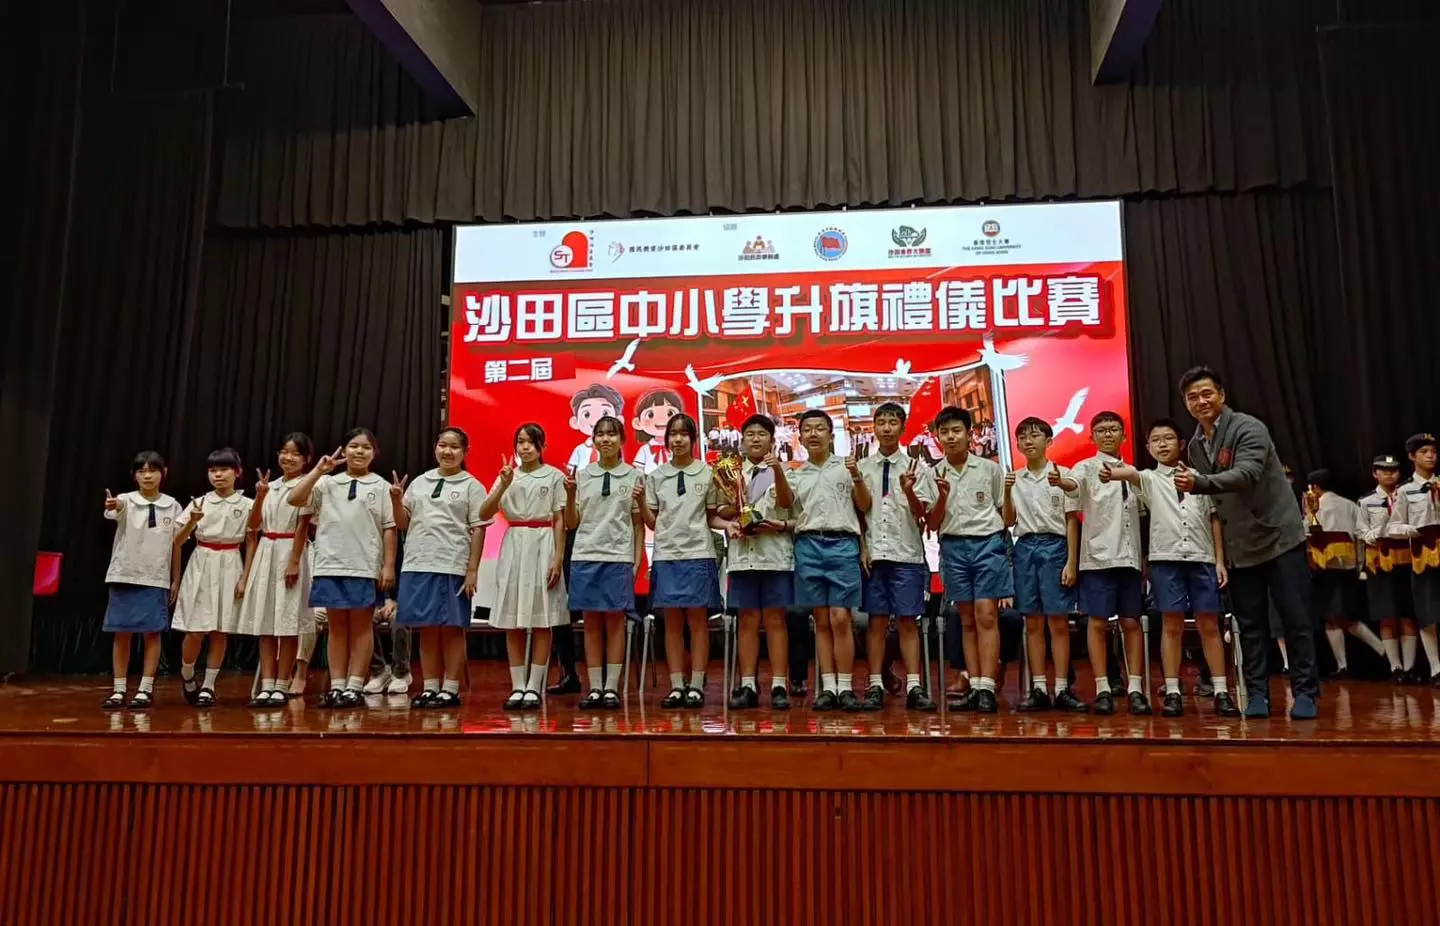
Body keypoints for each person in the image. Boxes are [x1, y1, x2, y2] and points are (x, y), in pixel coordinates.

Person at [1176, 366, 1320, 719]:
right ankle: (1257, 695)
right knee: (1250, 626)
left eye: (1207, 393)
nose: (1201, 402)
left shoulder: (1248, 427)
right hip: (1240, 547)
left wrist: (1199, 483)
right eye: (1192, 397)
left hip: (1278, 538)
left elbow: (1247, 474)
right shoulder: (1194, 445)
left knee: (1295, 620)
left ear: (1222, 395)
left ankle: (1305, 693)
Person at [1103, 420, 1239, 717]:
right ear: (1148, 447)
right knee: (1171, 624)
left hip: (1202, 558)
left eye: (1168, 438)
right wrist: (1110, 472)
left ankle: (1221, 691)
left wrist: (1219, 560)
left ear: (1181, 443)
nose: (1162, 444)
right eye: (1155, 440)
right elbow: (1129, 473)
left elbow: (1214, 519)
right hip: (1165, 559)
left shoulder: (1200, 479)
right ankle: (1173, 691)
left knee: (1209, 625)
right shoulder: (1149, 479)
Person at [289, 428, 398, 709]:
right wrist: (318, 471)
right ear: (344, 450)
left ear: (374, 453)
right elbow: (295, 499)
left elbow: (389, 528)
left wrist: (388, 566)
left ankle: (354, 686)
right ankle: (337, 685)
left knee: (361, 628)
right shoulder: (327, 482)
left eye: (365, 447)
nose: (359, 452)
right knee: (336, 629)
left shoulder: (381, 486)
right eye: (353, 446)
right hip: (329, 564)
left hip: (364, 566)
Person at [394, 426, 489, 708]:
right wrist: (396, 500)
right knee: (427, 627)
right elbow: (402, 523)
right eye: (443, 445)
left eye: (454, 447)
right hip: (417, 563)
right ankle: (430, 687)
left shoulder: (472, 485)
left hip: (452, 564)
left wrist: (472, 570)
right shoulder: (420, 482)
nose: (447, 451)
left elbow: (479, 528)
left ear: (465, 451)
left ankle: (451, 688)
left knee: (451, 628)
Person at [928, 405, 1011, 714]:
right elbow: (932, 522)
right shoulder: (934, 473)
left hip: (988, 544)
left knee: (986, 615)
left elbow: (1005, 514)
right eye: (944, 432)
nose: (951, 437)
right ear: (937, 437)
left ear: (970, 434)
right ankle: (975, 685)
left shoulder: (990, 469)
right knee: (966, 619)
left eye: (956, 430)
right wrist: (942, 497)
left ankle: (987, 687)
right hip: (953, 547)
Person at [481, 424, 569, 711]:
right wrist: (504, 484)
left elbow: (560, 519)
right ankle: (518, 685)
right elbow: (484, 512)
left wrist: (558, 558)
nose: (525, 447)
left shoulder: (554, 476)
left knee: (542, 619)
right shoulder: (507, 475)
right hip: (514, 543)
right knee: (512, 619)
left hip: (544, 543)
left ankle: (534, 685)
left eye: (531, 442)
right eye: (520, 441)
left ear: (542, 446)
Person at [641, 413, 726, 709]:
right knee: (672, 623)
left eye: (684, 434)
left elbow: (712, 516)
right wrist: (639, 503)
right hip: (666, 556)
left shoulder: (707, 473)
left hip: (699, 553)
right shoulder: (656, 476)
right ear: (666, 440)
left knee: (698, 623)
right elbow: (652, 522)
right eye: (673, 434)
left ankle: (697, 685)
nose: (678, 439)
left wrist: (730, 524)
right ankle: (677, 685)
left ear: (693, 439)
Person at [857, 402, 937, 712]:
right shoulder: (862, 468)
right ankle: (875, 684)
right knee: (876, 622)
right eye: (882, 422)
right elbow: (858, 514)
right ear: (874, 428)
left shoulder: (917, 467)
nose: (887, 428)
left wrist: (909, 490)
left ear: (903, 428)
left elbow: (923, 515)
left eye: (893, 422)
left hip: (906, 554)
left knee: (907, 622)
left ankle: (915, 686)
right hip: (874, 554)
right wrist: (862, 547)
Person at [1002, 417, 1086, 713]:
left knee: (1058, 621)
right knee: (1033, 621)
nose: (1028, 441)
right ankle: (1038, 688)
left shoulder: (1063, 475)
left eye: (1035, 435)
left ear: (1049, 441)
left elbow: (1072, 520)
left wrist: (1072, 562)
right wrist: (1006, 492)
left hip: (1056, 547)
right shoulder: (1014, 478)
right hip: (1025, 547)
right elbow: (1008, 521)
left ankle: (1062, 688)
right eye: (1022, 437)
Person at [787, 409, 869, 711]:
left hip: (843, 545)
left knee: (840, 618)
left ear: (831, 435)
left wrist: (857, 476)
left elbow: (865, 505)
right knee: (820, 620)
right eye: (807, 429)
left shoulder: (846, 468)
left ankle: (845, 687)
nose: (813, 434)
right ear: (800, 437)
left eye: (820, 428)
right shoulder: (796, 474)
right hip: (808, 545)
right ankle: (828, 687)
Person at [1070, 412, 1149, 715]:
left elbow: (1146, 509)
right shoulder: (1085, 468)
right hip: (1098, 559)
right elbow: (1071, 485)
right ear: (1091, 437)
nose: (1107, 434)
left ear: (1124, 436)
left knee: (1131, 623)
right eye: (1101, 430)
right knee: (1097, 623)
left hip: (1130, 558)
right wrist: (1061, 481)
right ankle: (1103, 687)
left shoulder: (1133, 472)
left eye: (1113, 429)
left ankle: (1135, 688)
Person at [564, 415, 644, 709]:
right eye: (600, 434)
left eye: (612, 434)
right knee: (591, 624)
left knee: (615, 623)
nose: (606, 439)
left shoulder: (634, 476)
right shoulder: (583, 476)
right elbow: (571, 522)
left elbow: (638, 525)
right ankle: (595, 687)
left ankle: (612, 688)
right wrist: (570, 495)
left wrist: (636, 561)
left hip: (618, 557)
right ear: (593, 440)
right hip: (586, 555)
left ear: (622, 440)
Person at [721, 414, 797, 710]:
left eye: (762, 434)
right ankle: (749, 684)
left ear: (772, 441)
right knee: (748, 620)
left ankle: (778, 684)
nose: (755, 439)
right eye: (750, 434)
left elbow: (788, 505)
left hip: (775, 555)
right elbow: (721, 511)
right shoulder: (731, 472)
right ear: (742, 441)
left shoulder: (785, 470)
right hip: (743, 556)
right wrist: (732, 518)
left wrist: (776, 470)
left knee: (776, 620)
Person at [235, 433, 315, 707]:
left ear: (306, 459)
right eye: (284, 452)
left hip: (290, 550)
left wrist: (294, 561)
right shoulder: (270, 486)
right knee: (266, 622)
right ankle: (267, 684)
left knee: (288, 623)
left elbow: (302, 526)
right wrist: (260, 496)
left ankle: (282, 683)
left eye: (295, 453)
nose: (288, 458)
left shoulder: (306, 486)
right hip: (266, 552)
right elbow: (253, 525)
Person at [100, 451, 183, 710]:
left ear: (163, 473)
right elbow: (115, 508)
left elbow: (177, 544)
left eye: (153, 470)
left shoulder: (173, 505)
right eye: (142, 471)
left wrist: (176, 579)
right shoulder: (125, 500)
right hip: (124, 574)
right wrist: (113, 505)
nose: (147, 476)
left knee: (152, 632)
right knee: (121, 632)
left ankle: (145, 689)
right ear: (134, 475)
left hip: (156, 577)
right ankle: (119, 689)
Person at [172, 448, 254, 709]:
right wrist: (192, 522)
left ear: (237, 472)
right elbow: (177, 541)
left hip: (231, 562)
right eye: (213, 470)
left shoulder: (247, 504)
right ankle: (187, 672)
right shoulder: (200, 502)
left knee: (220, 629)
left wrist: (245, 578)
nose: (218, 475)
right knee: (195, 630)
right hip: (202, 562)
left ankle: (209, 685)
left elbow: (252, 541)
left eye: (224, 469)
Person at [1303, 469, 1387, 679]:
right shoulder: (1350, 504)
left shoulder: (1314, 506)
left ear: (1315, 487)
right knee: (1348, 616)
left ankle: (1348, 663)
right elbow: (1359, 534)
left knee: (1332, 618)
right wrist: (1360, 565)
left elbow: (1306, 532)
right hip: (1348, 567)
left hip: (1325, 566)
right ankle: (1380, 652)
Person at [1358, 454, 1415, 680]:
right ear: (1375, 473)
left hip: (1407, 561)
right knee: (1386, 615)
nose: (1389, 474)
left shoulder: (1407, 495)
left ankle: (1410, 668)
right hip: (1379, 563)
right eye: (1383, 470)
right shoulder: (1366, 501)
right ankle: (1395, 668)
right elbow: (1362, 532)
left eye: (1393, 470)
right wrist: (1381, 530)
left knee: (1408, 615)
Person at [1396, 433, 1440, 685]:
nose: (1431, 456)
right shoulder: (1405, 491)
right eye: (1424, 452)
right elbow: (1394, 526)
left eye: (1433, 451)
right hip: (1423, 556)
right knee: (1427, 613)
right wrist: (1413, 530)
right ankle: (1436, 668)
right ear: (1412, 456)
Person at [566, 384, 624, 472]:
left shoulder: (615, 448)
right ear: (575, 422)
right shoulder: (580, 449)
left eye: (605, 413)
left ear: (618, 420)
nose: (595, 420)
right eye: (586, 414)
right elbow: (571, 469)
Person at [631, 389, 684, 474]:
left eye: (670, 413)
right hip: (650, 479)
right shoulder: (645, 449)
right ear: (638, 423)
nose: (662, 420)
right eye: (650, 415)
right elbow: (639, 468)